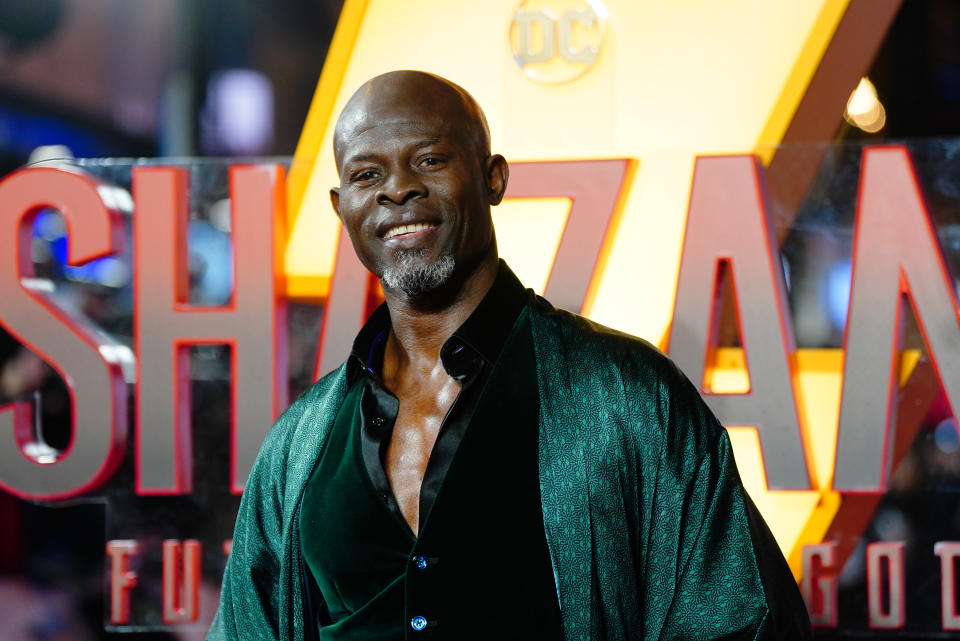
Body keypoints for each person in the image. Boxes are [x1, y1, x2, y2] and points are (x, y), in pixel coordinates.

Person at [208, 70, 811, 641]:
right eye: (367, 175)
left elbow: (744, 621)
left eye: (429, 160)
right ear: (341, 208)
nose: (398, 188)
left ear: (493, 177)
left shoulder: (626, 398)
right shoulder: (298, 446)